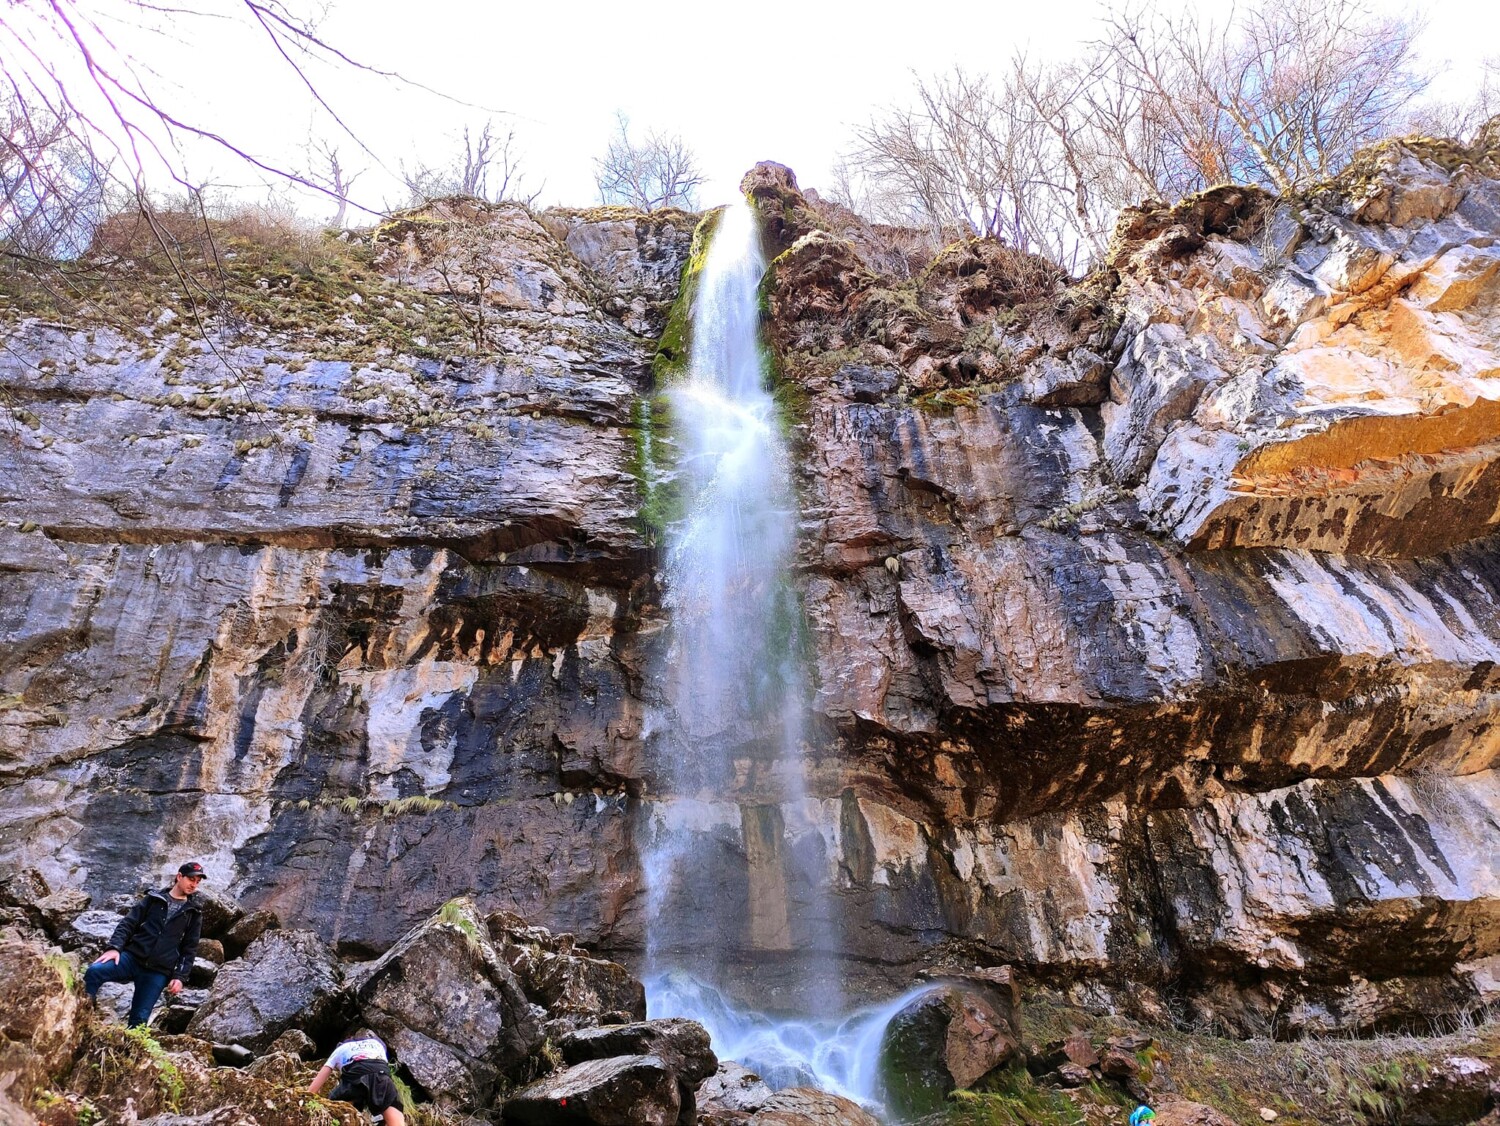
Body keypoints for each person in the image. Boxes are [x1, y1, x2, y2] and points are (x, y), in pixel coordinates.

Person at [84, 861, 206, 1028]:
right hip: (132, 958)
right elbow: (128, 924)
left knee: (139, 1020)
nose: (194, 885)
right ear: (179, 876)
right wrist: (114, 948)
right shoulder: (153, 899)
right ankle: (82, 1016)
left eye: (198, 882)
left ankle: (128, 1052)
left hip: (158, 971)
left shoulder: (194, 913)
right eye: (191, 879)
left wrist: (179, 977)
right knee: (94, 972)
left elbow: (189, 948)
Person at [309, 1028, 406, 1126]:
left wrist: (309, 1096)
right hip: (381, 1077)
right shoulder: (377, 1044)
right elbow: (384, 1069)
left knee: (335, 1109)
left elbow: (324, 1072)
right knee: (396, 1119)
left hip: (355, 1076)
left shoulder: (341, 1049)